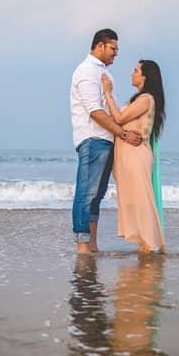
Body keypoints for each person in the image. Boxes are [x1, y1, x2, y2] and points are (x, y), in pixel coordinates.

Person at [70, 28, 143, 254]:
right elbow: (95, 111)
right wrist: (122, 134)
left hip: (105, 140)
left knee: (97, 195)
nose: (116, 54)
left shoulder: (102, 72)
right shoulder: (86, 71)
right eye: (113, 48)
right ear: (100, 46)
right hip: (93, 138)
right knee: (86, 193)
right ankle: (83, 245)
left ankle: (92, 244)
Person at [101, 59, 166, 253]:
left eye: (136, 70)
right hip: (130, 155)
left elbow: (119, 119)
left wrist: (108, 94)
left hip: (137, 155)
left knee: (142, 200)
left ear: (145, 76)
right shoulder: (137, 99)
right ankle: (144, 244)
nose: (132, 73)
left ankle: (149, 244)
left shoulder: (146, 99)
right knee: (134, 199)